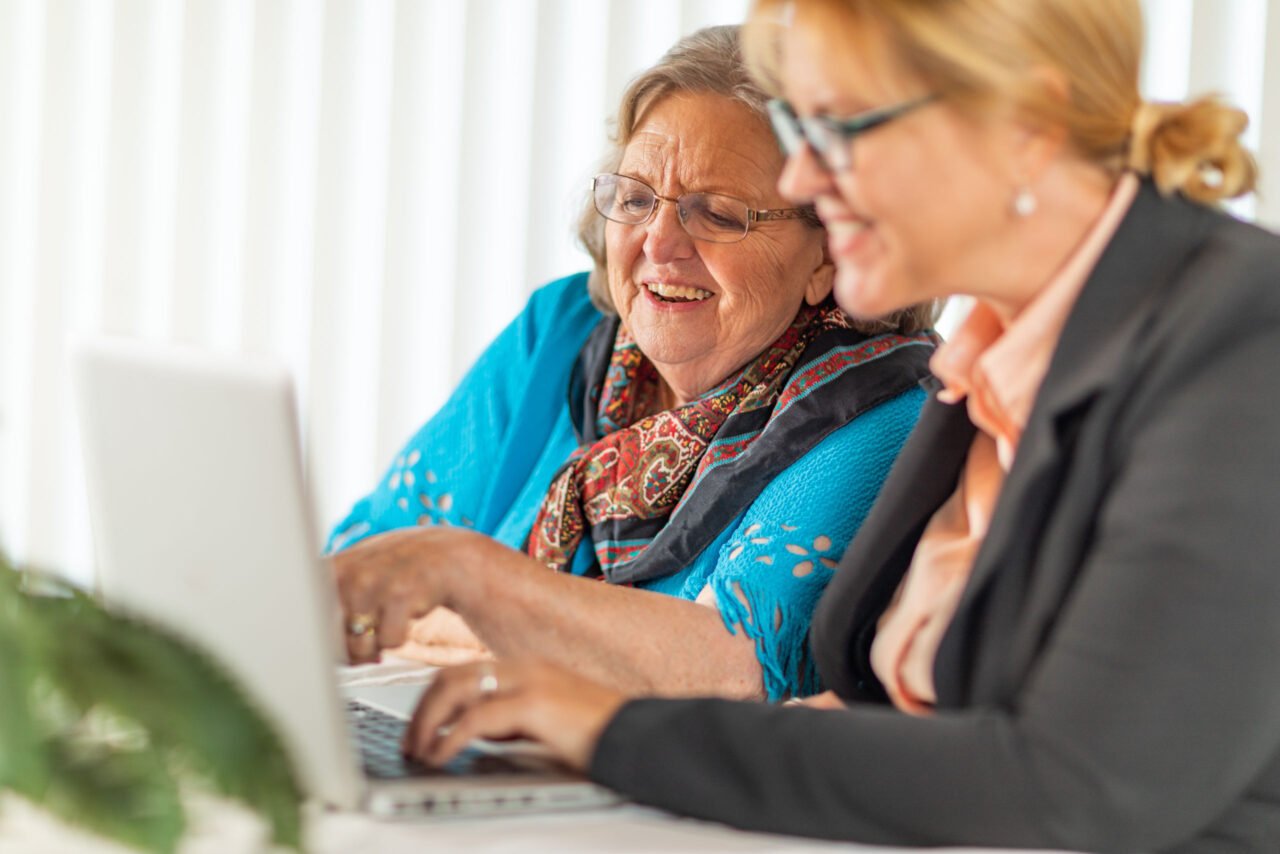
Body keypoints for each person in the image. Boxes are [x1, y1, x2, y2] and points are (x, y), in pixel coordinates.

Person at [402, 1, 1280, 850]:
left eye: (842, 128)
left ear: (1028, 124)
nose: (802, 182)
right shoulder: (989, 364)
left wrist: (614, 734)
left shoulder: (1243, 341)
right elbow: (874, 717)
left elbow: (1087, 783)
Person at [329, 25, 937, 702]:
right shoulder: (558, 334)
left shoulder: (884, 415)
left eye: (718, 213)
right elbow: (360, 571)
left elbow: (737, 669)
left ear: (828, 251)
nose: (660, 241)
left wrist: (469, 586)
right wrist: (571, 641)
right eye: (638, 198)